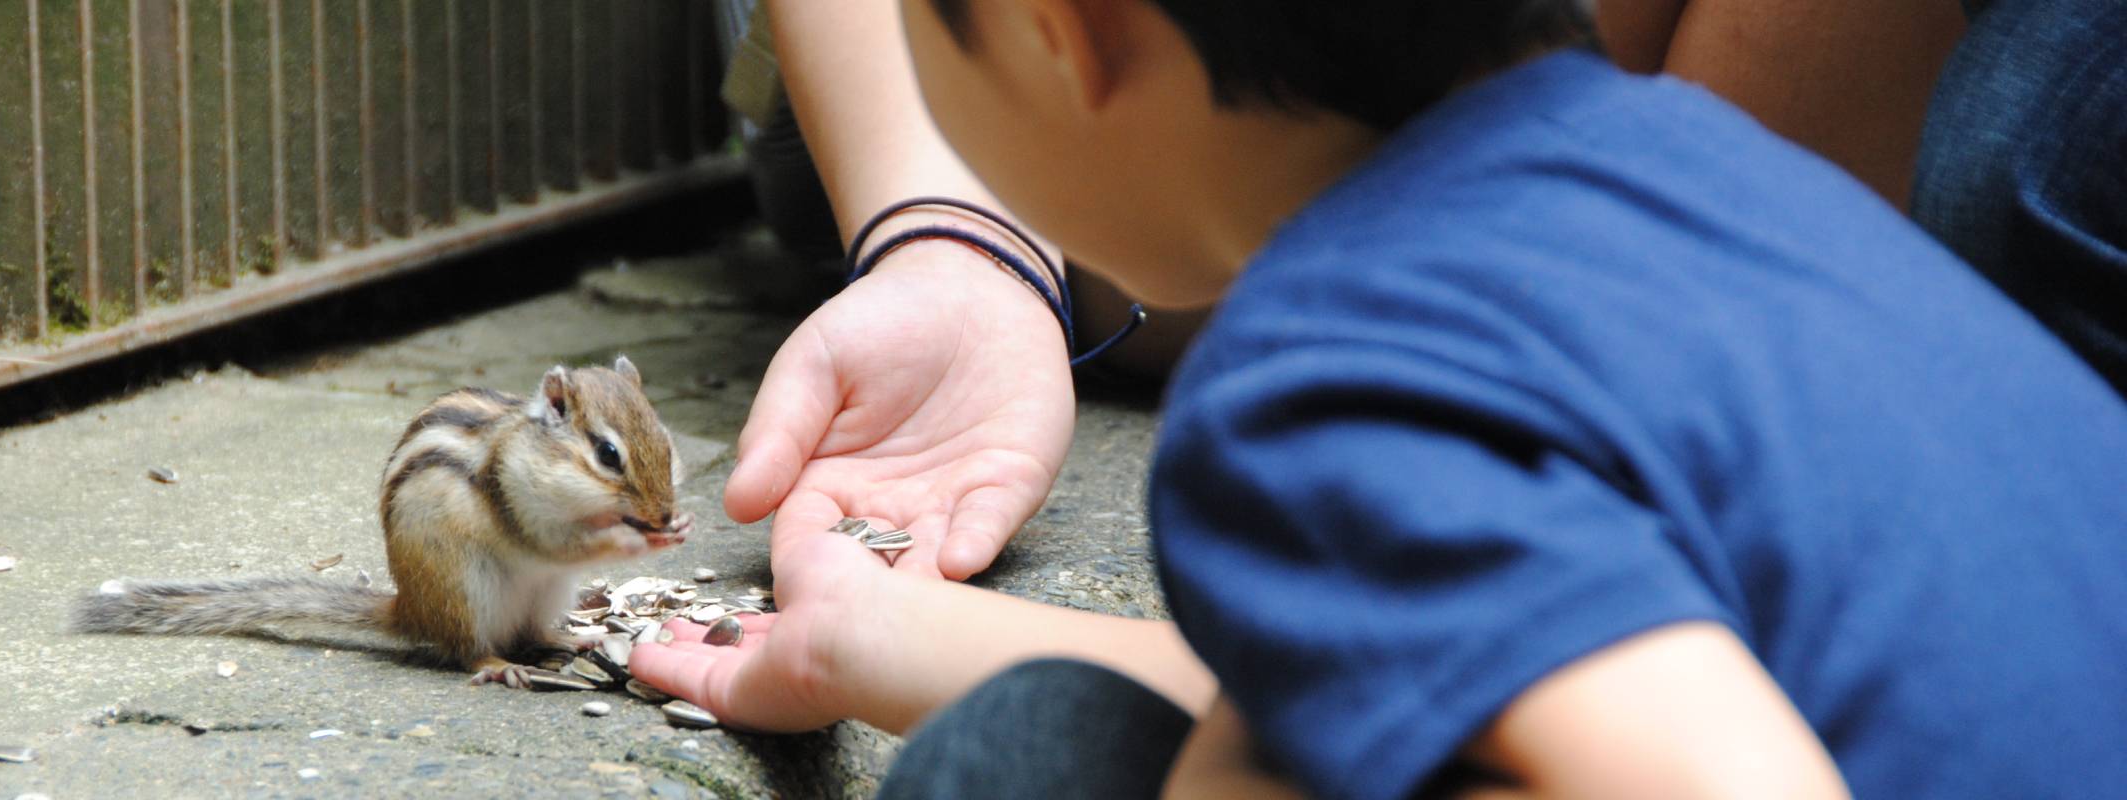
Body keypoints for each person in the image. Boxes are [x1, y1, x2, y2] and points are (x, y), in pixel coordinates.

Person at [633, 0, 2127, 797]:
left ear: (1064, 29)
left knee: (1023, 770)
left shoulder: (1324, 380)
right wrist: (880, 639)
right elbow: (1463, 668)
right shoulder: (1739, 197)